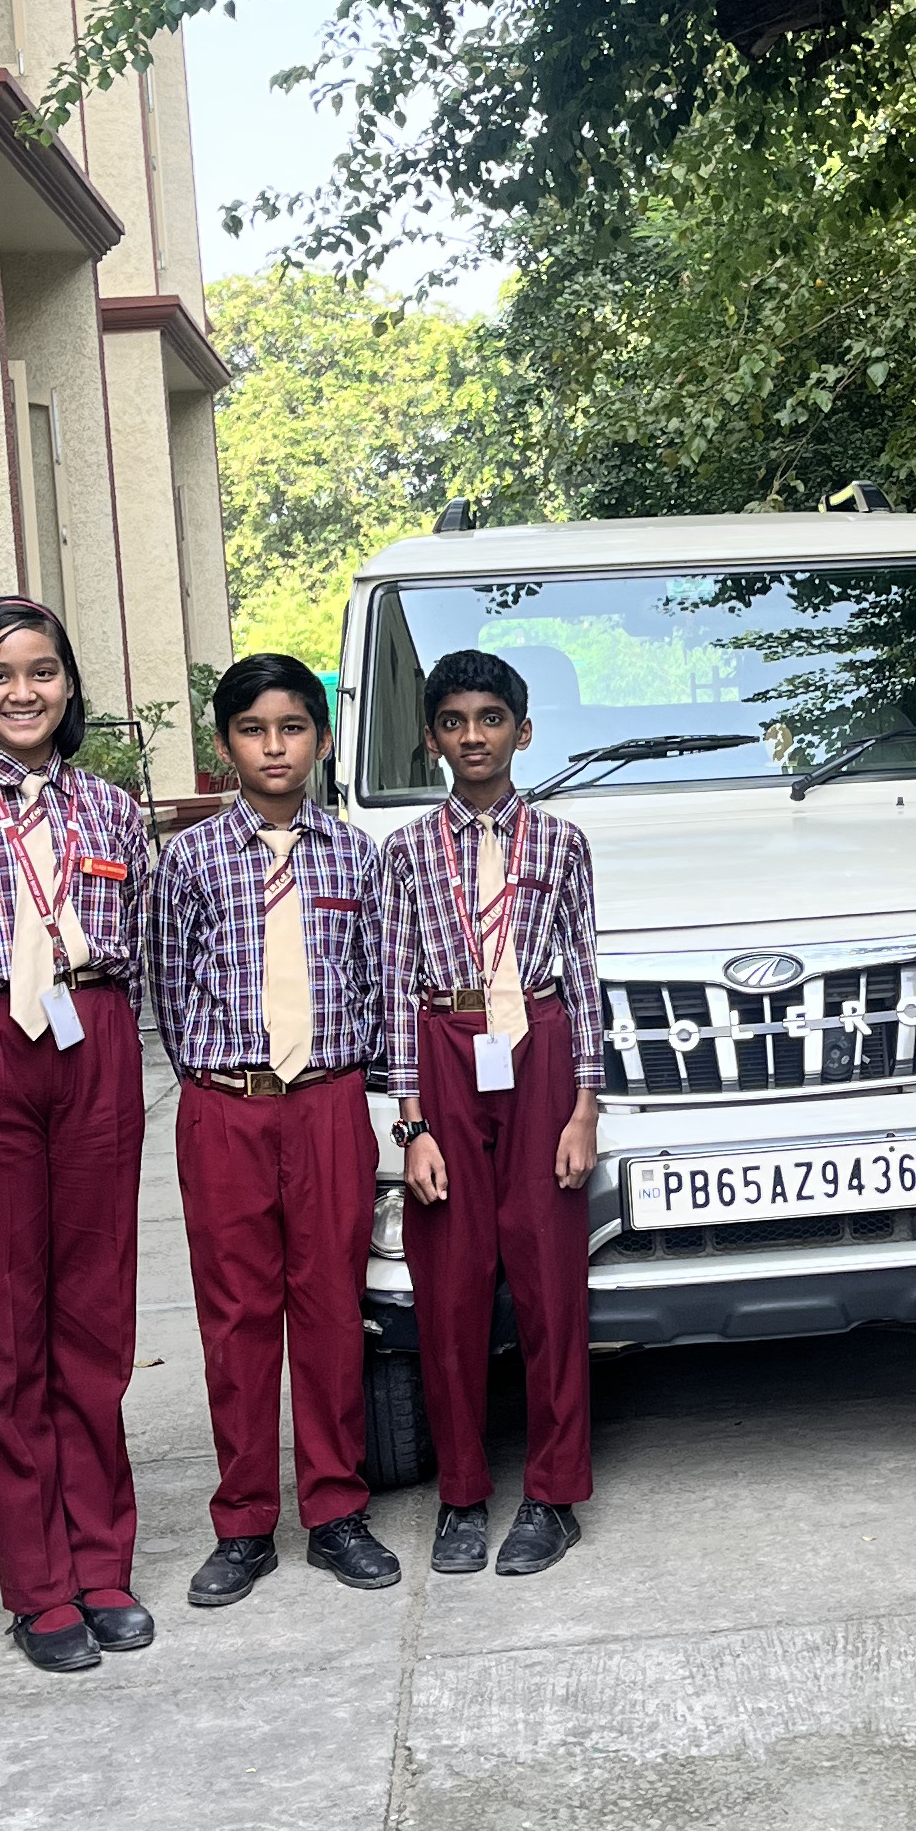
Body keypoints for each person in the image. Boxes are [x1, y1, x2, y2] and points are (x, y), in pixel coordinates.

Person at [0, 598, 155, 1671]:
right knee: (8, 1322)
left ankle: (103, 1561)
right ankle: (40, 1581)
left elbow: (139, 939)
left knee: (95, 1313)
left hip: (92, 1035)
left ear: (70, 685)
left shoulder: (113, 809)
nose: (23, 692)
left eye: (43, 671)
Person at [151, 653, 398, 1604]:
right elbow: (171, 987)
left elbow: (376, 981)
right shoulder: (189, 860)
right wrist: (222, 1085)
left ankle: (336, 1511)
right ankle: (245, 1522)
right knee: (237, 1316)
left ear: (322, 740)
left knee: (331, 1307)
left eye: (292, 728)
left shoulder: (357, 858)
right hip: (227, 1105)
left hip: (329, 1102)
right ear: (225, 746)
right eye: (253, 731)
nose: (274, 747)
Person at [382, 647, 600, 1576]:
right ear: (433, 739)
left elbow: (586, 974)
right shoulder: (403, 852)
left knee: (550, 1280)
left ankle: (552, 1494)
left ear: (523, 730)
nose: (474, 736)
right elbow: (393, 986)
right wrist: (412, 1125)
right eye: (454, 722)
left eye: (491, 719)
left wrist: (585, 1107)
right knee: (450, 1288)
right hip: (446, 1045)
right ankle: (462, 1495)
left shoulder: (561, 842)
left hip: (540, 1045)